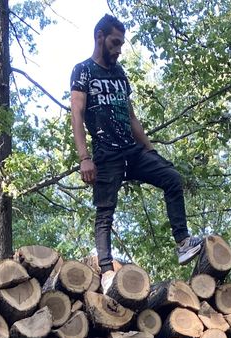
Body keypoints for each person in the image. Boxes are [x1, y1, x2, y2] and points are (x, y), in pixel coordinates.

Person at [70, 14, 203, 291]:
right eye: (115, 43)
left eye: (121, 44)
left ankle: (182, 242)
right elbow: (77, 114)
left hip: (133, 150)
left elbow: (131, 118)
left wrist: (151, 150)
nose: (119, 49)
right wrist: (85, 158)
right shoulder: (83, 71)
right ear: (100, 37)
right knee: (105, 212)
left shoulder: (120, 74)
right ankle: (106, 272)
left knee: (172, 177)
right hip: (106, 154)